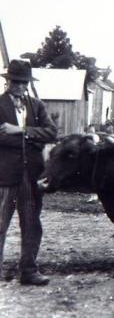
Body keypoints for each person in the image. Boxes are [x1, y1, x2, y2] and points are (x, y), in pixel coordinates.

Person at [0, 60, 57, 285]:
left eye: (24, 82)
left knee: (32, 224)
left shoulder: (37, 106)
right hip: (5, 176)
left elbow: (52, 133)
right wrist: (32, 139)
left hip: (32, 176)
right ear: (8, 82)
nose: (21, 86)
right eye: (16, 82)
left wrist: (20, 130)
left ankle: (28, 271)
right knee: (0, 224)